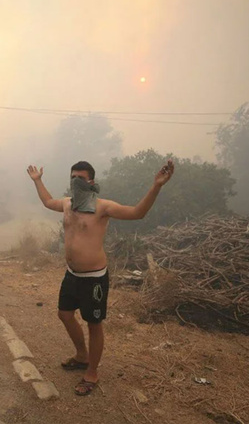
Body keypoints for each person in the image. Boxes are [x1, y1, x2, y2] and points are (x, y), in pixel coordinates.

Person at [26, 159, 174, 396]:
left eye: (81, 178)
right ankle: (81, 355)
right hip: (72, 274)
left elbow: (138, 213)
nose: (76, 181)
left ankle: (92, 372)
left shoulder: (102, 207)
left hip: (94, 278)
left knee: (94, 324)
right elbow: (46, 201)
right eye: (73, 177)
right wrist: (38, 181)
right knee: (64, 314)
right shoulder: (67, 204)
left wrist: (157, 185)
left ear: (91, 181)